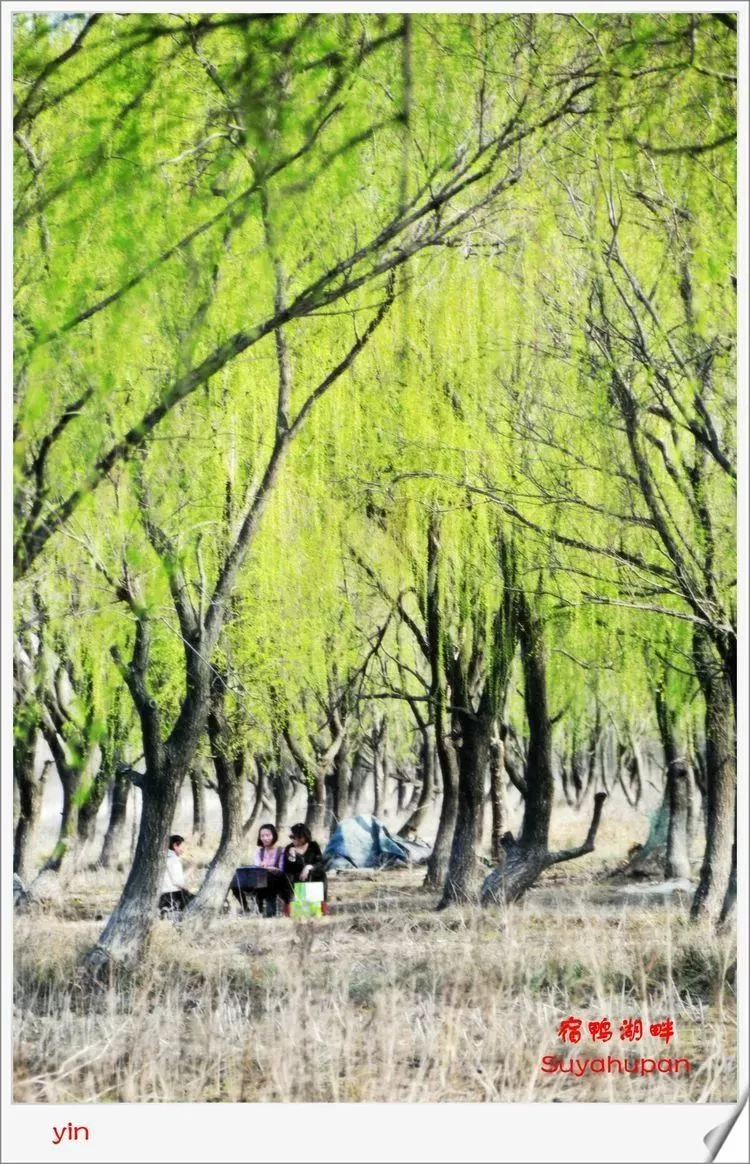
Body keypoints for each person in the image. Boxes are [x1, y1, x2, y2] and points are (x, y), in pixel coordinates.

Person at [230, 823, 289, 918]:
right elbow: (257, 866)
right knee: (235, 882)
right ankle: (246, 908)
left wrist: (268, 868)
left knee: (269, 882)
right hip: (260, 878)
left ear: (274, 835)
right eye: (262, 836)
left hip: (277, 880)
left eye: (268, 835)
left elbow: (282, 870)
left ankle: (269, 913)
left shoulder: (281, 850)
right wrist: (261, 866)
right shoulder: (259, 851)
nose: (265, 838)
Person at [284, 823, 327, 900]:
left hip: (312, 876)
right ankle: (294, 901)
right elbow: (288, 868)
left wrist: (308, 867)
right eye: (291, 837)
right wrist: (292, 857)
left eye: (296, 837)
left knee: (321, 874)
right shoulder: (289, 848)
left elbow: (320, 862)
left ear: (304, 837)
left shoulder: (313, 846)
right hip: (297, 878)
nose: (293, 839)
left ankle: (318, 902)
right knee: (289, 877)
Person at [159, 835, 194, 915]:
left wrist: (191, 869)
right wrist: (187, 890)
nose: (184, 850)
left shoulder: (165, 857)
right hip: (172, 896)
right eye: (183, 847)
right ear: (175, 846)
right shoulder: (173, 859)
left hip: (163, 896)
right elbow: (178, 881)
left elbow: (176, 878)